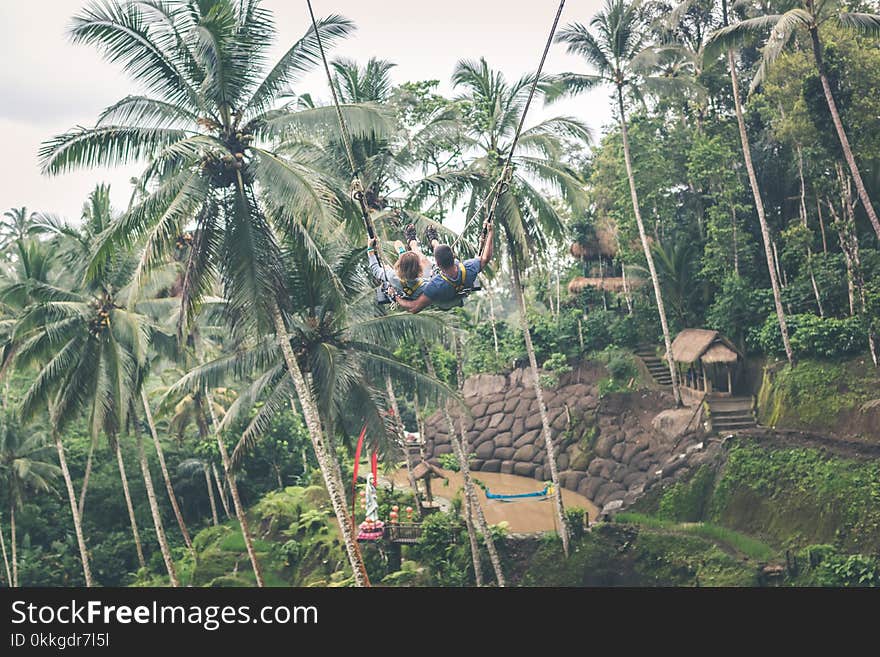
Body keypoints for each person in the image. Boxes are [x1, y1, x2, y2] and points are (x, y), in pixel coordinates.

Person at [394, 222, 495, 313]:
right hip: (457, 297)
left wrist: (397, 299)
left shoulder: (435, 285)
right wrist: (490, 232)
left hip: (444, 303)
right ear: (453, 257)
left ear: (437, 264)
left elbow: (414, 308)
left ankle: (412, 243)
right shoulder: (469, 268)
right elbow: (485, 258)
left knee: (423, 260)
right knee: (441, 251)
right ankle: (434, 240)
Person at [367, 224, 432, 299]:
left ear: (398, 265)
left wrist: (370, 248)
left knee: (392, 270)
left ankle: (403, 254)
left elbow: (376, 270)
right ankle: (406, 250)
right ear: (420, 268)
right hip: (415, 289)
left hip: (399, 287)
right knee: (424, 261)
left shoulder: (392, 276)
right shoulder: (425, 284)